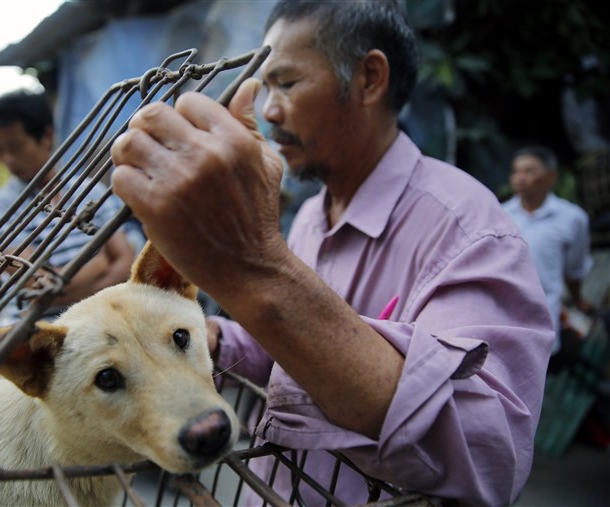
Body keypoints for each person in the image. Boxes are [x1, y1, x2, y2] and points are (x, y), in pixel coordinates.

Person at [110, 1, 554, 505]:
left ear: (368, 79)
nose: (269, 109)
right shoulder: (312, 213)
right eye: (265, 87)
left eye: (287, 83)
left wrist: (253, 265)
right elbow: (287, 348)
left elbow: (485, 457)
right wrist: (214, 340)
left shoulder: (469, 231)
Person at [0, 90, 137, 324]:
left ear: (47, 136)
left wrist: (70, 293)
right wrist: (100, 263)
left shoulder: (89, 190)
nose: (8, 159)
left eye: (15, 147)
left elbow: (125, 262)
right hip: (33, 332)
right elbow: (36, 285)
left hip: (100, 324)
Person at [503, 145, 594, 356]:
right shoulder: (500, 214)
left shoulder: (572, 218)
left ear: (551, 176)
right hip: (503, 315)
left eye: (529, 171)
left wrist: (577, 300)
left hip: (542, 320)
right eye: (516, 172)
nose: (520, 178)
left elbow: (574, 270)